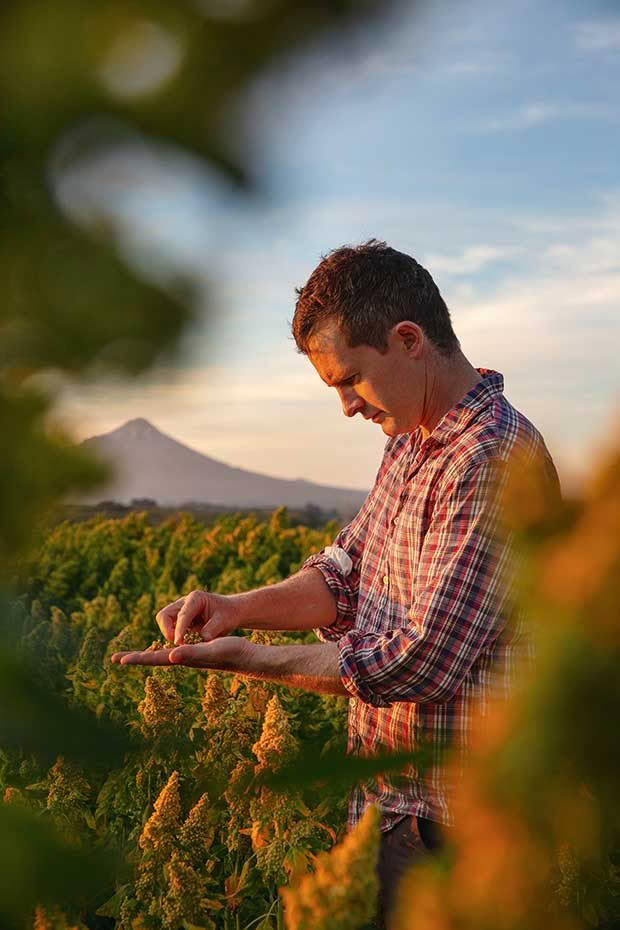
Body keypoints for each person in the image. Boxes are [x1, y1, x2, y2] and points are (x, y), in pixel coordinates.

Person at [112, 240, 562, 929]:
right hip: (397, 808)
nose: (346, 407)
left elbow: (423, 659)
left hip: (462, 830)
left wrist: (253, 662)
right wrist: (236, 609)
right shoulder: (412, 443)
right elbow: (343, 575)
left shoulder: (490, 457)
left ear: (408, 341)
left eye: (349, 379)